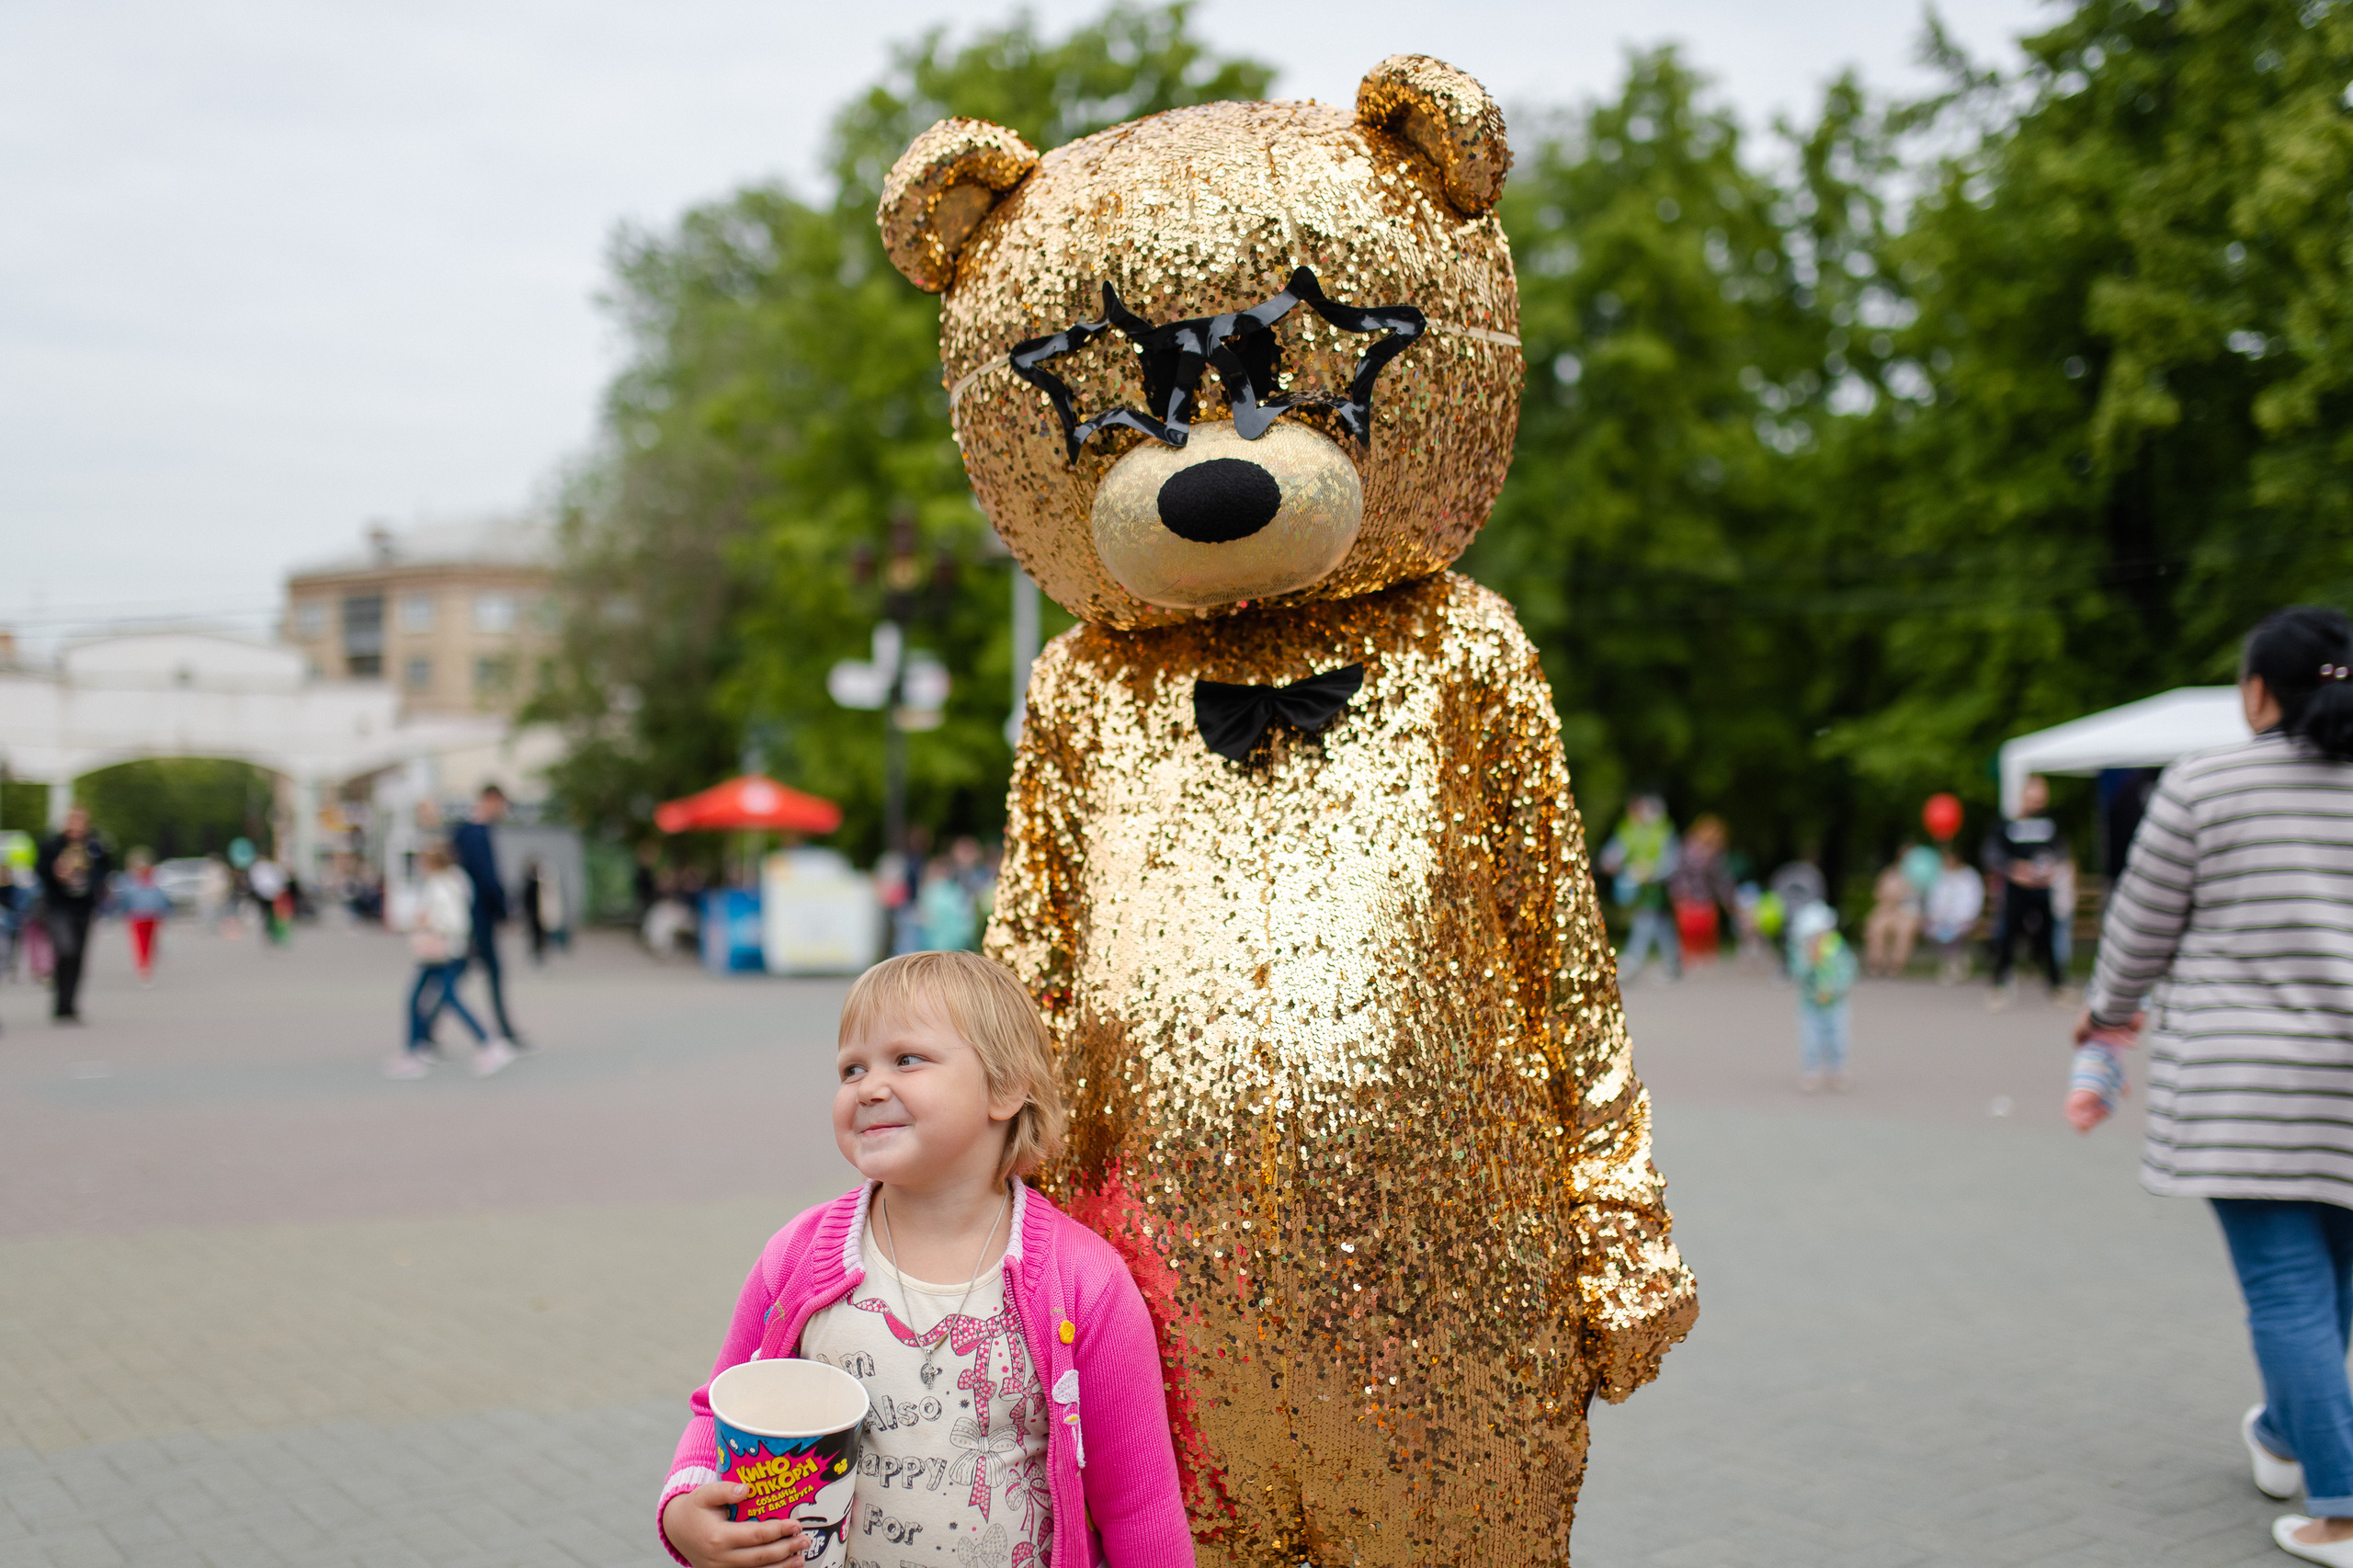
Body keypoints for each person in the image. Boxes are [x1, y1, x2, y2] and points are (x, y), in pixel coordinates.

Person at [656, 950, 1188, 1568]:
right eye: (851, 1069)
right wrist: (685, 1507)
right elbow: (718, 1409)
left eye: (907, 1059)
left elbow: (1138, 1506)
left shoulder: (1083, 1281)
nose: (871, 1086)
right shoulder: (797, 1257)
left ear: (1006, 1086)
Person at [2065, 607, 2353, 1565]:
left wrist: (2106, 1016)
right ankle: (2282, 1431)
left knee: (2285, 1287)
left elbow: (2140, 926)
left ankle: (2341, 1506)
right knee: (2332, 1280)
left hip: (2249, 1084)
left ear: (2258, 690)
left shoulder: (2205, 785)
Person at [386, 841, 513, 1079]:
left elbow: (453, 922)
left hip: (441, 951)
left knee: (442, 997)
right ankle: (418, 1047)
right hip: (446, 951)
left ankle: (485, 1043)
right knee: (430, 997)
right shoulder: (456, 882)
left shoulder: (440, 886)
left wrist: (426, 922)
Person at [449, 784, 525, 1047]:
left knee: (459, 971)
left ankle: (423, 1031)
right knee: (477, 971)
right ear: (491, 801)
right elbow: (486, 878)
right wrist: (503, 910)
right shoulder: (476, 833)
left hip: (472, 914)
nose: (503, 810)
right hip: (478, 915)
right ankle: (504, 1031)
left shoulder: (465, 831)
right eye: (501, 804)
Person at [1985, 774, 2067, 1007]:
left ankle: (2056, 984)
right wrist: (2015, 869)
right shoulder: (2008, 824)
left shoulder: (2051, 823)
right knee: (2008, 936)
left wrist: (2051, 869)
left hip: (2043, 889)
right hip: (2016, 889)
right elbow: (1992, 854)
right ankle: (2000, 984)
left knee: (2048, 938)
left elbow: (2061, 850)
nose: (2037, 802)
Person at [35, 806, 111, 1023]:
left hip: (83, 907)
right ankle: (60, 998)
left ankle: (68, 1005)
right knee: (65, 950)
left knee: (78, 956)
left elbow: (104, 872)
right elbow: (40, 871)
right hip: (58, 906)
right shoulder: (52, 845)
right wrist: (56, 871)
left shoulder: (95, 845)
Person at [1600, 793, 1681, 982]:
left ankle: (1632, 961)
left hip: (1654, 886)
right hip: (1637, 886)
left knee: (1646, 920)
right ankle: (1672, 962)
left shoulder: (1662, 831)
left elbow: (1670, 861)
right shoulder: (1629, 830)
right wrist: (1611, 862)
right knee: (1659, 923)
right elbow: (1614, 852)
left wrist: (1652, 874)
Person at [1792, 903, 1858, 1092]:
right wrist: (1810, 961)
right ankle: (1810, 1072)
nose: (1817, 939)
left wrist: (1837, 988)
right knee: (1810, 1041)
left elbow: (1848, 969)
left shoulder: (1838, 948)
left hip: (1836, 1004)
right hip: (1810, 1006)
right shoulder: (1800, 951)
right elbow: (1798, 973)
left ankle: (1836, 1070)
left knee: (1838, 1040)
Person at [1667, 814, 1737, 963]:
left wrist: (1728, 898)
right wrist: (1679, 895)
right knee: (1688, 933)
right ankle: (1683, 961)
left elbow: (1722, 880)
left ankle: (1702, 962)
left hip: (1706, 899)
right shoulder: (1687, 848)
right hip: (1687, 897)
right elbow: (1677, 873)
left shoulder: (1717, 854)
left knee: (1705, 933)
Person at [1923, 846, 1986, 985]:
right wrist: (1936, 916)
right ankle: (1950, 962)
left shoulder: (1969, 876)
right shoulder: (1939, 876)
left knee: (1956, 931)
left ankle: (1954, 962)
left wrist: (1963, 917)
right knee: (1931, 930)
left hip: (1964, 918)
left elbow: (1974, 900)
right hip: (1941, 919)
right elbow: (1933, 900)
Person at [1862, 853, 1925, 978]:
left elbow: (1918, 900)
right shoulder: (1889, 873)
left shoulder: (1919, 876)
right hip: (1887, 910)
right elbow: (1879, 893)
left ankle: (1896, 964)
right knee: (1877, 927)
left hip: (1907, 913)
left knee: (1904, 930)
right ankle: (1876, 962)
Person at [118, 849, 173, 987]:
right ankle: (143, 965)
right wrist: (124, 912)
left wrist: (165, 913)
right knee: (140, 942)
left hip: (153, 915)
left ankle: (148, 964)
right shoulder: (130, 882)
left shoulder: (156, 882)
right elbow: (125, 900)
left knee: (152, 942)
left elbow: (163, 899)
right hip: (137, 916)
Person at [247, 854, 289, 945]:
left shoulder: (257, 867)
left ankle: (268, 932)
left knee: (265, 914)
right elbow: (280, 878)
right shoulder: (271, 866)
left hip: (262, 893)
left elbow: (254, 880)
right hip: (272, 893)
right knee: (273, 914)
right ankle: (272, 932)